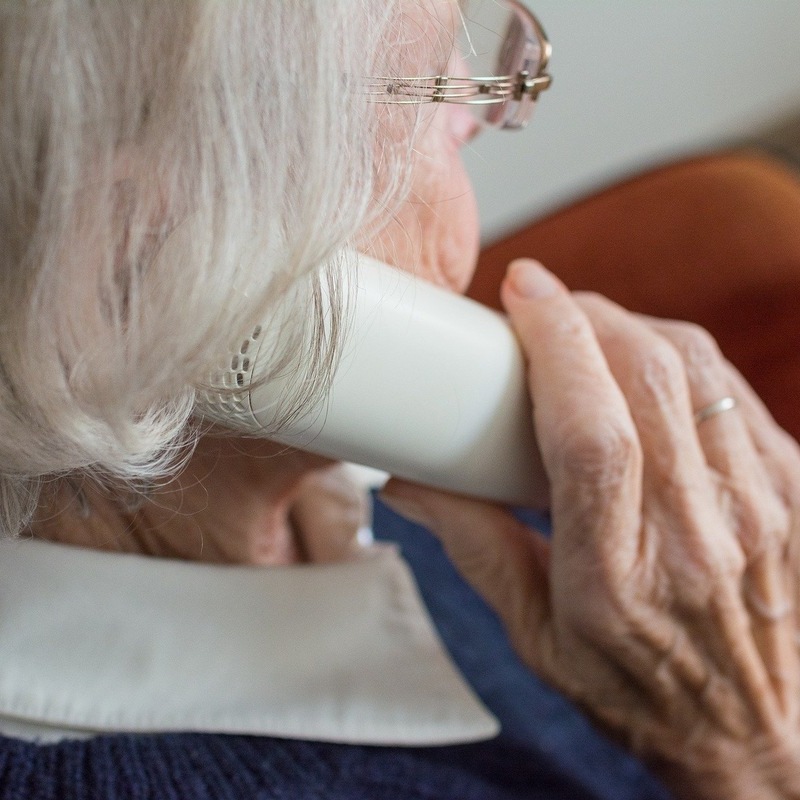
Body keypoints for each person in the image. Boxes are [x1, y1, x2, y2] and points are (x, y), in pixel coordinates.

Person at [0, 1, 799, 798]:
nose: (483, 115)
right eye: (436, 90)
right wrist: (743, 754)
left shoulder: (386, 491)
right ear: (139, 262)